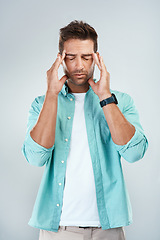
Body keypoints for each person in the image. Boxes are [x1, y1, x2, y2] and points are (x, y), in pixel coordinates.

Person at [21, 20, 148, 240]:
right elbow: (35, 157)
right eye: (71, 57)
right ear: (60, 58)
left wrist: (105, 97)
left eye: (86, 57)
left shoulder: (121, 101)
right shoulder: (41, 103)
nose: (79, 65)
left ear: (97, 58)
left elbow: (134, 153)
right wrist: (51, 95)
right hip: (58, 228)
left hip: (108, 227)